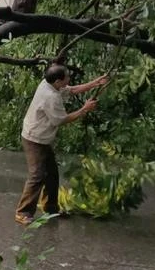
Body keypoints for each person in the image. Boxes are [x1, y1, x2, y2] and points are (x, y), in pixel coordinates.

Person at [15, 64, 108, 225]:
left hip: (41, 137)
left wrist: (94, 83)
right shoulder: (50, 96)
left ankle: (50, 208)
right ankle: (22, 212)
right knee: (37, 175)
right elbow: (61, 120)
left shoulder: (48, 83)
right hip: (35, 139)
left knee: (52, 174)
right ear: (58, 80)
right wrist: (84, 109)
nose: (69, 79)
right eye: (67, 77)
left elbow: (70, 90)